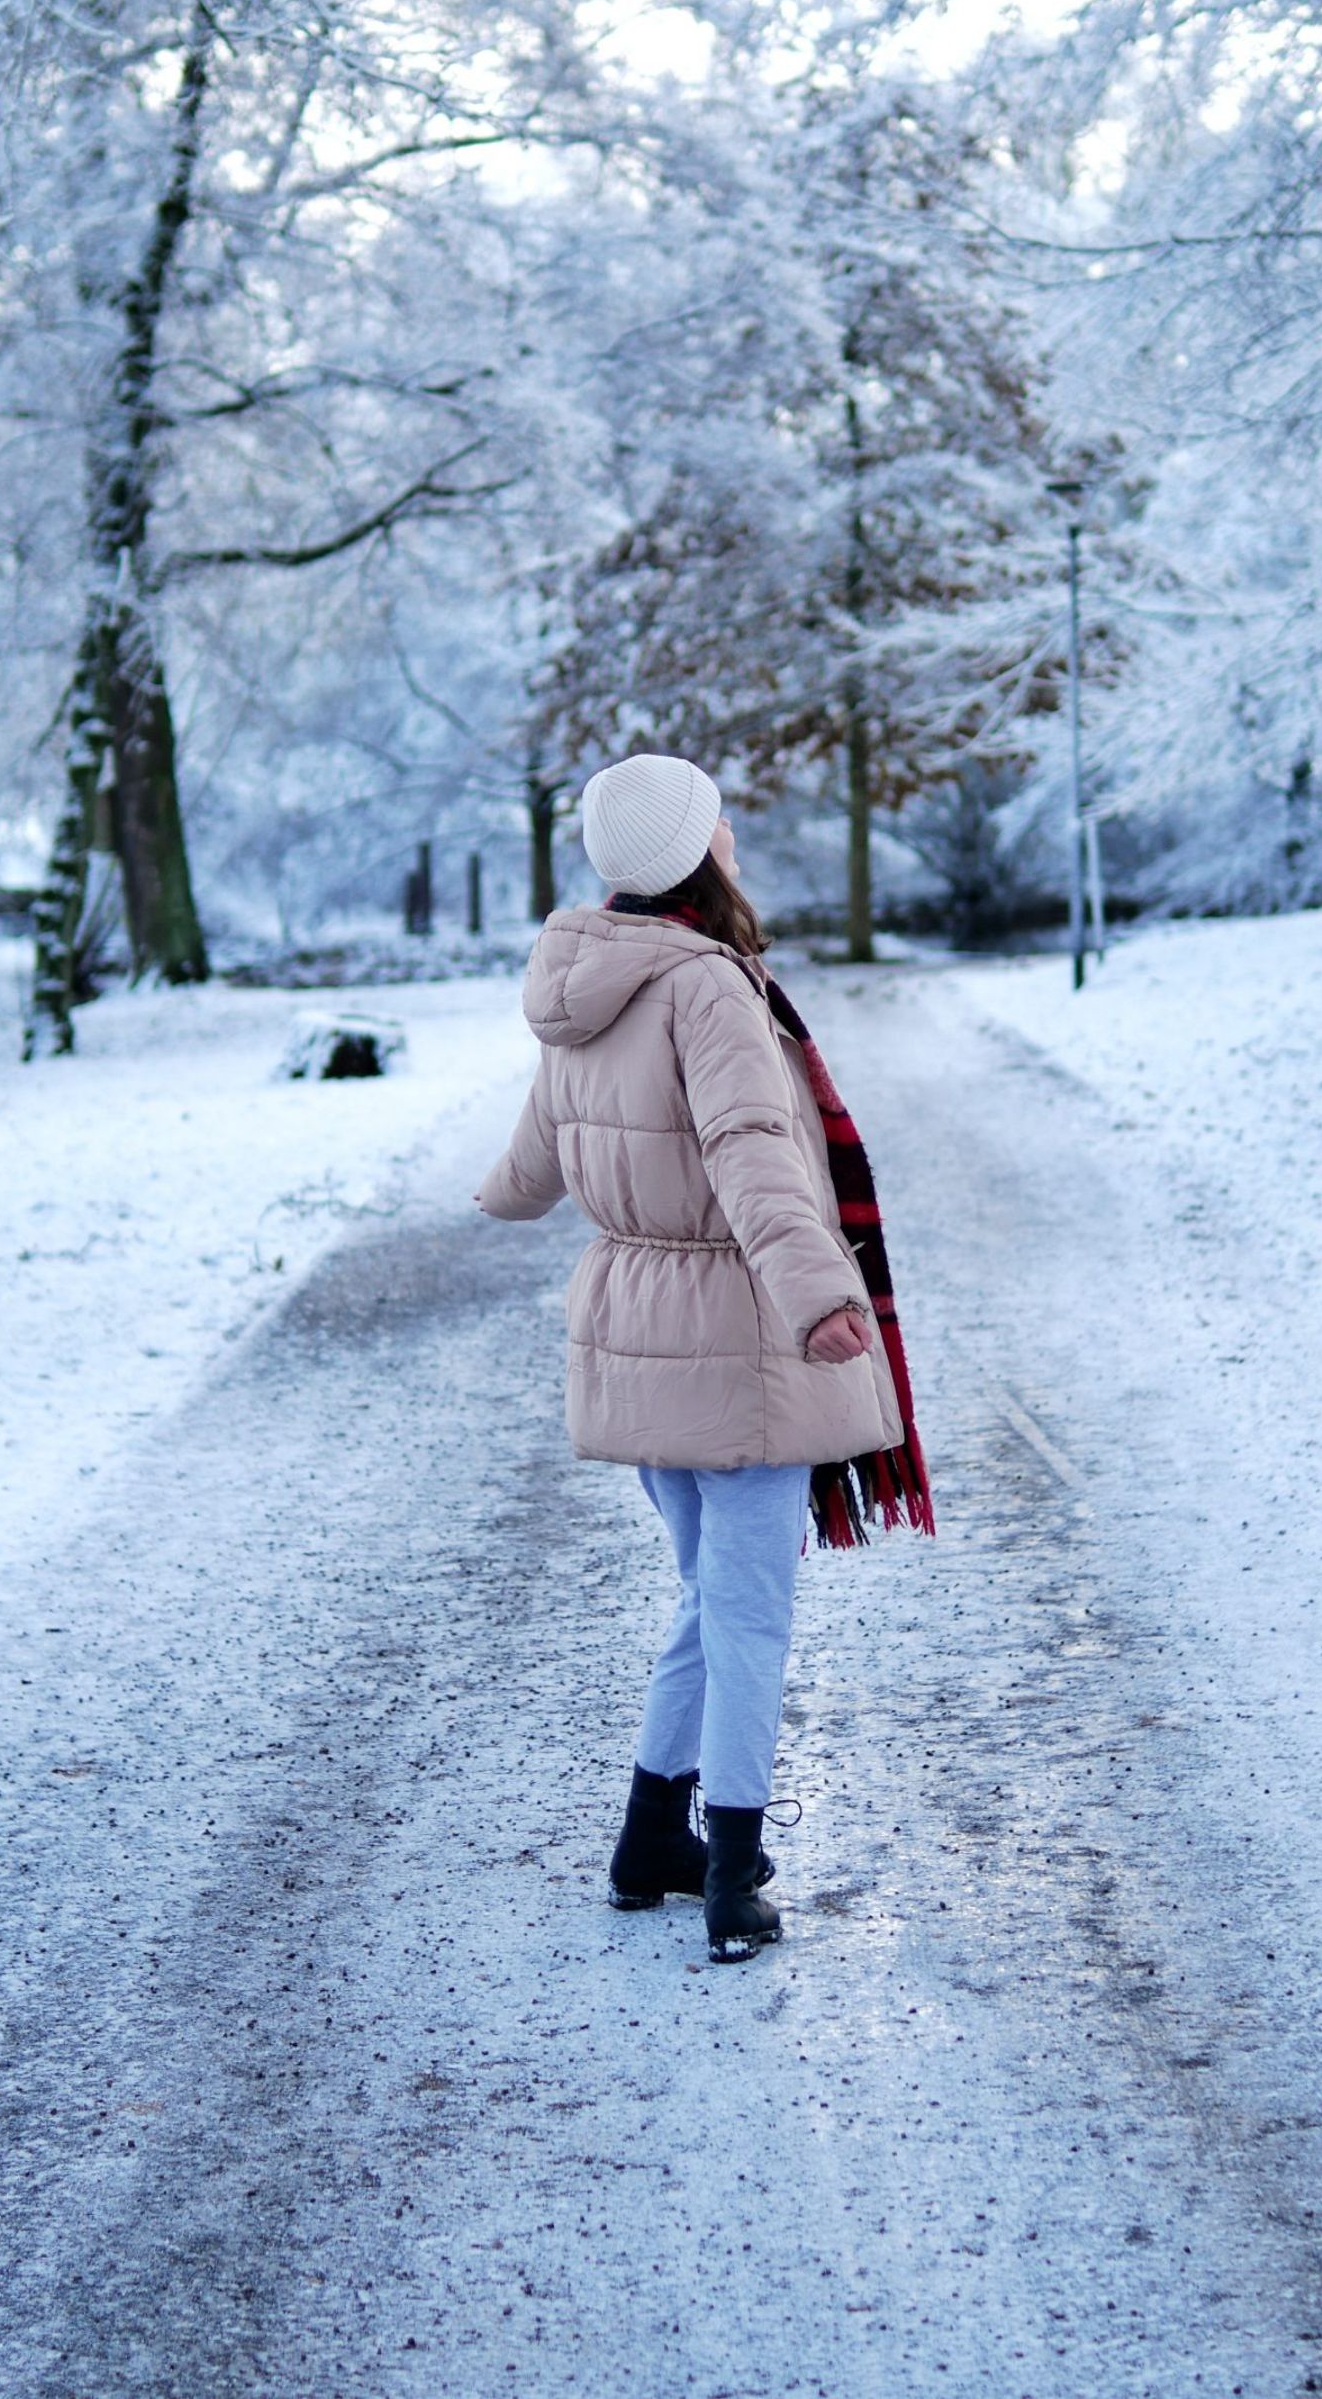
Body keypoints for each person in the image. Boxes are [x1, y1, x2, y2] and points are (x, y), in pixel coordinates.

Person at [475, 751, 931, 1963]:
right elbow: (750, 1154)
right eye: (718, 820)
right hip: (737, 1332)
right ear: (693, 853)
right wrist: (819, 1296)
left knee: (706, 1600)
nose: (733, 832)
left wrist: (502, 1193)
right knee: (747, 1619)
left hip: (631, 1319)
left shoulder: (581, 984)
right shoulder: (708, 987)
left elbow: (530, 1168)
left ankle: (648, 1842)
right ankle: (734, 1870)